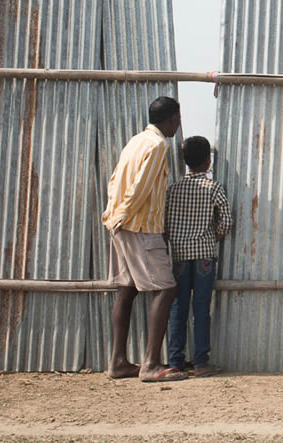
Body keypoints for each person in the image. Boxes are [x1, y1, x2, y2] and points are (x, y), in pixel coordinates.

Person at [102, 96, 186, 382]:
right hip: (138, 225)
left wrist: (112, 216)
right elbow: (141, 188)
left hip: (122, 225)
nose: (178, 124)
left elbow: (114, 179)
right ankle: (150, 364)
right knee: (166, 288)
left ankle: (118, 362)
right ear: (172, 118)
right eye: (177, 119)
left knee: (127, 289)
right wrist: (122, 215)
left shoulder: (135, 141)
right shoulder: (158, 145)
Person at [164, 135, 233, 378]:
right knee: (201, 309)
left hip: (180, 255)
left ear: (185, 161)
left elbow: (166, 223)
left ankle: (175, 361)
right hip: (204, 254)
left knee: (177, 307)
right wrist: (214, 236)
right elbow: (226, 221)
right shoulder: (213, 188)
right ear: (208, 162)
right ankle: (201, 362)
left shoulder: (173, 189)